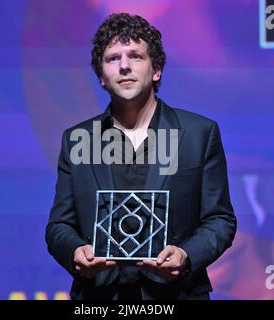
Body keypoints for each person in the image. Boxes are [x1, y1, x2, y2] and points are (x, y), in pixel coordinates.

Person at [45, 12, 236, 300]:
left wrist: (185, 255)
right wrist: (75, 252)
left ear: (156, 69)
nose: (124, 66)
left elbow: (220, 219)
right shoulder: (76, 140)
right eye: (112, 58)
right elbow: (59, 225)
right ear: (101, 77)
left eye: (135, 56)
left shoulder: (199, 133)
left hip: (175, 295)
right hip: (100, 296)